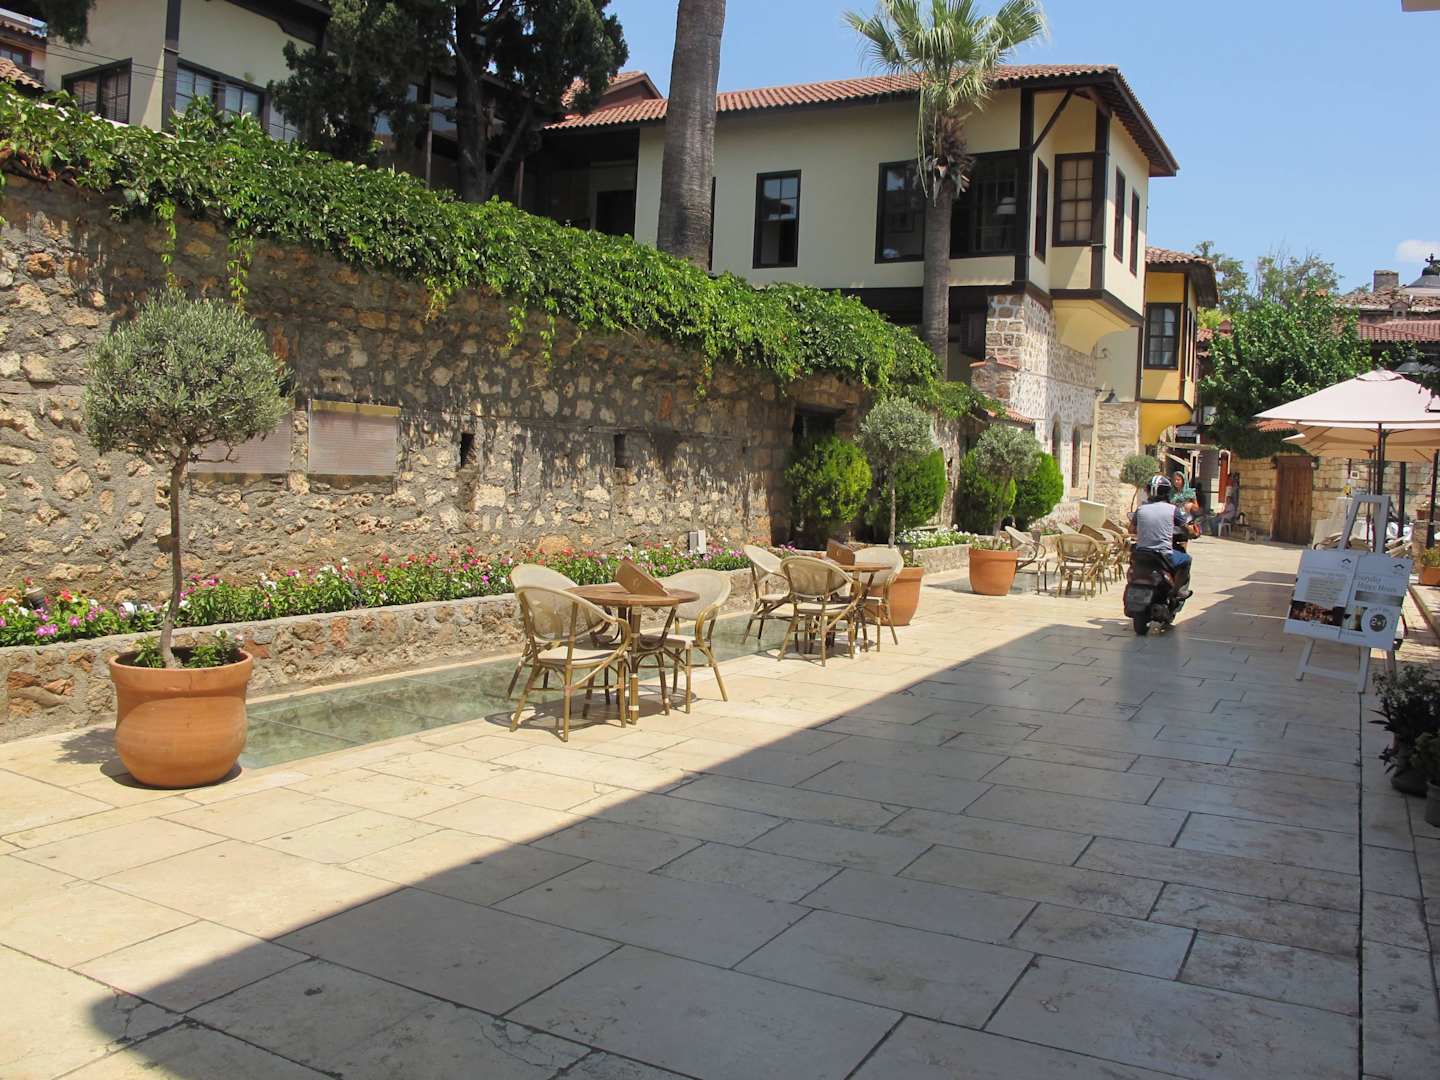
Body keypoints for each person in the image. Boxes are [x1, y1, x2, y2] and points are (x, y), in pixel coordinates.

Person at [1130, 474, 1198, 596]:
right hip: (1163, 554)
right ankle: (1176, 591)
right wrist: (1194, 533)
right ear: (1167, 491)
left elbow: (1132, 529)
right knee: (1187, 560)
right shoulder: (1172, 509)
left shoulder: (1140, 509)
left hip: (1142, 552)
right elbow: (1187, 529)